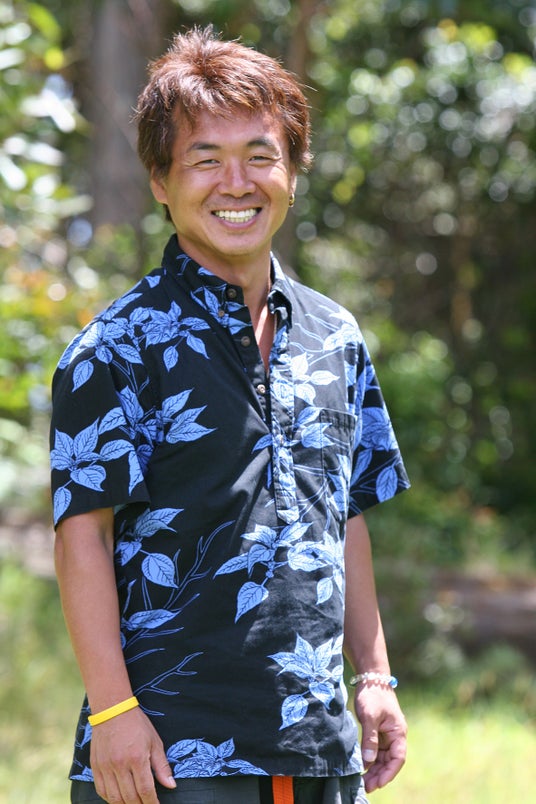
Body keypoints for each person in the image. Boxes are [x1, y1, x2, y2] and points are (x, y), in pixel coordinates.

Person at [50, 26, 410, 804]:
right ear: (160, 181)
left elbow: (344, 514)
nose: (236, 183)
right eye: (205, 160)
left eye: (259, 155)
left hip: (320, 749)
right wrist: (112, 713)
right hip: (169, 757)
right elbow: (83, 537)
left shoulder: (336, 337)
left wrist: (375, 676)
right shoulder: (114, 348)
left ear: (293, 170)